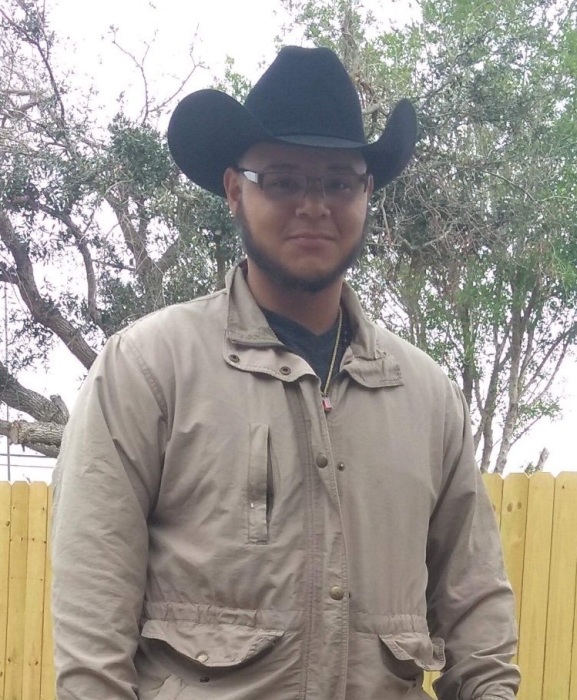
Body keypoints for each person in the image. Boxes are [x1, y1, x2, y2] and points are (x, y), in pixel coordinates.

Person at [51, 46, 520, 699]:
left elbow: (478, 619)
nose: (314, 204)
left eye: (339, 182)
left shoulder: (427, 398)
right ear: (234, 190)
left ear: (366, 193)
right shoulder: (149, 370)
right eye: (283, 179)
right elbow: (92, 645)